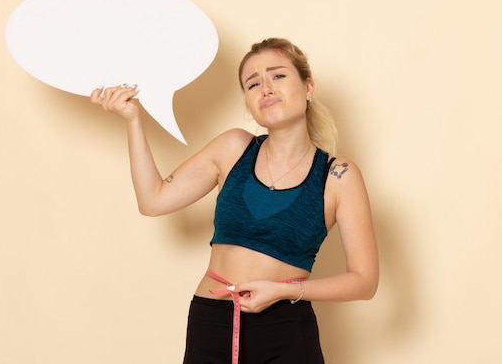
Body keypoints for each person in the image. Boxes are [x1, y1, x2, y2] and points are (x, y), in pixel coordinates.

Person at [90, 38, 378, 364]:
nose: (265, 88)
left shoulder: (337, 176)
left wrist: (285, 291)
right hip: (212, 321)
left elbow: (364, 282)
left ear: (308, 86)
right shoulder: (233, 148)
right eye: (252, 83)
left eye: (278, 76)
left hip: (285, 326)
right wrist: (132, 120)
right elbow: (152, 200)